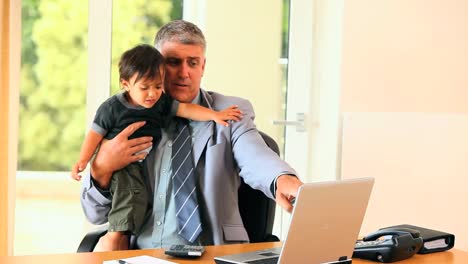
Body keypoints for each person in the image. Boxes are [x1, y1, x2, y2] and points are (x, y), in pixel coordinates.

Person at [80, 20, 303, 251]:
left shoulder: (229, 110)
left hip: (212, 253)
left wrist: (281, 179)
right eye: (173, 62)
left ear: (203, 66)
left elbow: (254, 155)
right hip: (143, 254)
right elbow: (94, 214)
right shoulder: (128, 116)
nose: (184, 73)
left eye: (193, 63)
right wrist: (102, 167)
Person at [73, 43, 242, 251]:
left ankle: (123, 236)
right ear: (125, 84)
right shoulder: (111, 109)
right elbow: (94, 135)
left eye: (158, 86)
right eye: (144, 88)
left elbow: (186, 109)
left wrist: (215, 115)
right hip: (121, 166)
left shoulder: (160, 103)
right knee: (128, 198)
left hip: (140, 164)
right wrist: (87, 162)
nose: (152, 94)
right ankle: (116, 237)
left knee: (139, 198)